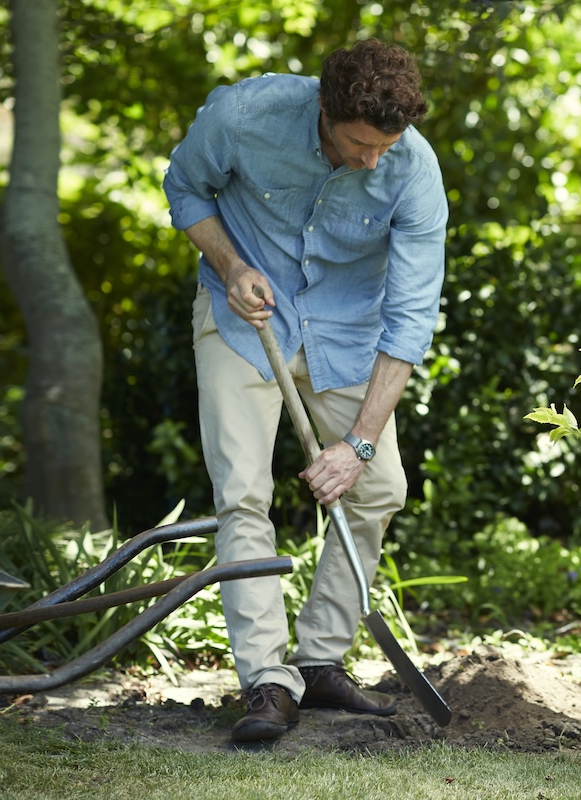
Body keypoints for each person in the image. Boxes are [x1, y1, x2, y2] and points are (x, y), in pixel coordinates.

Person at [163, 39, 448, 743]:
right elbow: (184, 186)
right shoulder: (242, 115)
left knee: (379, 487)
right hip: (243, 322)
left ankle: (320, 661)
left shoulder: (413, 169)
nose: (372, 160)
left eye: (386, 145)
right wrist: (229, 264)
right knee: (243, 493)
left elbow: (410, 320)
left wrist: (356, 445)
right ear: (326, 109)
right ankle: (266, 680)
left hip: (347, 336)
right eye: (359, 144)